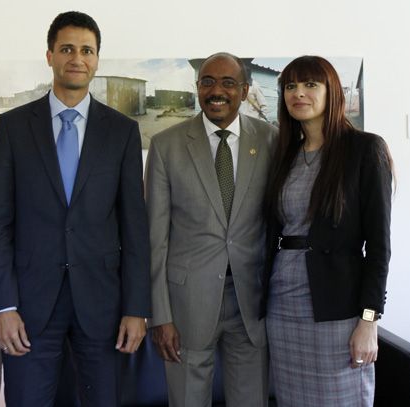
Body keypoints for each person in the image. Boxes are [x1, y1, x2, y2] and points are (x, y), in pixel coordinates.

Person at [0, 11, 151, 407]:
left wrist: (136, 308)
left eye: (87, 50)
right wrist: (3, 306)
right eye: (68, 49)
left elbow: (134, 228)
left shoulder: (122, 131)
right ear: (50, 56)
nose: (78, 58)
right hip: (28, 305)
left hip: (102, 304)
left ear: (96, 59)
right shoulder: (13, 127)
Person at [146, 52, 277, 407]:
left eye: (227, 83)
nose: (216, 91)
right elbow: (155, 240)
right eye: (207, 82)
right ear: (197, 88)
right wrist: (160, 315)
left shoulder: (271, 141)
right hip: (187, 303)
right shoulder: (165, 146)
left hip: (251, 302)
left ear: (245, 90)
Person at [262, 55, 393, 406]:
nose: (298, 93)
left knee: (344, 397)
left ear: (331, 91)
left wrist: (369, 321)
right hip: (282, 303)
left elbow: (379, 248)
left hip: (337, 307)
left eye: (309, 84)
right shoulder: (284, 155)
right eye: (290, 86)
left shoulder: (365, 149)